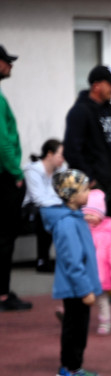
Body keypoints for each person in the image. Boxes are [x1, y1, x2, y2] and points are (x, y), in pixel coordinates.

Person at [41, 169, 106, 376]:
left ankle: (68, 368)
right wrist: (85, 290)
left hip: (76, 287)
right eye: (84, 189)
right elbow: (73, 260)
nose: (88, 192)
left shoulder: (74, 218)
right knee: (76, 330)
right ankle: (72, 370)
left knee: (74, 327)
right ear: (70, 195)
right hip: (75, 288)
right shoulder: (67, 223)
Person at [63, 64, 111, 248]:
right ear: (96, 86)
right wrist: (90, 178)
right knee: (95, 234)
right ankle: (97, 273)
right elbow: (71, 150)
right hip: (96, 186)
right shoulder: (80, 112)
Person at [0, 44, 33, 312]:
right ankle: (2, 294)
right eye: (6, 62)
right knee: (5, 237)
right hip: (4, 178)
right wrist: (16, 173)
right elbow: (2, 142)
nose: (10, 66)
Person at [82, 189, 111, 335]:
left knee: (102, 300)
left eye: (93, 214)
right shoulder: (83, 231)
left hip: (102, 275)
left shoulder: (109, 233)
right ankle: (74, 318)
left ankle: (105, 321)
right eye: (86, 213)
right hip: (86, 274)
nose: (89, 217)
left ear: (101, 215)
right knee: (81, 298)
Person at [22, 139, 66, 273]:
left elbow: (62, 194)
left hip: (49, 207)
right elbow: (38, 198)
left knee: (69, 213)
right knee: (47, 212)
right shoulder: (32, 170)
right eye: (60, 155)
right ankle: (42, 261)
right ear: (49, 154)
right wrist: (61, 205)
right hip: (28, 213)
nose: (63, 160)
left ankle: (69, 258)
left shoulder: (59, 170)